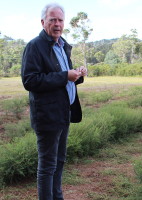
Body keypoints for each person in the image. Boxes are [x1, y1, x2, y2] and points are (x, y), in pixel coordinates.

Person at [21, 3, 87, 200]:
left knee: (59, 161)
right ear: (43, 22)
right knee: (48, 166)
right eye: (52, 20)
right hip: (47, 116)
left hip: (63, 112)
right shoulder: (34, 46)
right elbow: (30, 80)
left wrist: (78, 75)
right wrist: (65, 75)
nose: (57, 24)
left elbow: (63, 76)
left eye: (60, 20)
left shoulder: (62, 45)